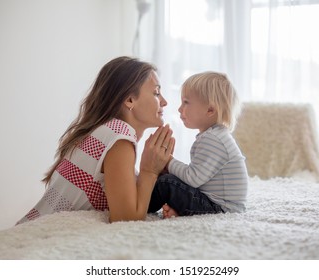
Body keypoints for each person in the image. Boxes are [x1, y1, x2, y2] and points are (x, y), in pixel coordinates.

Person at [17, 56, 174, 224]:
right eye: (156, 93)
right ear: (129, 100)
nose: (164, 102)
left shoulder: (104, 131)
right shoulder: (119, 135)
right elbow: (126, 219)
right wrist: (149, 171)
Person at [148, 71, 248, 218]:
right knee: (171, 179)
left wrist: (168, 162)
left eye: (186, 102)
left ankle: (141, 205)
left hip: (221, 209)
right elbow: (198, 178)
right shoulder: (215, 135)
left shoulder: (213, 139)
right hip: (216, 203)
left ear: (210, 110)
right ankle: (181, 210)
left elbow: (193, 178)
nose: (179, 108)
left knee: (166, 182)